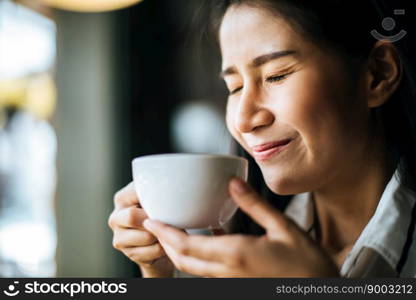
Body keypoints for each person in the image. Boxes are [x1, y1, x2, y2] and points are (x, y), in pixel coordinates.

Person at [108, 0, 416, 277]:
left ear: (377, 74)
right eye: (235, 87)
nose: (243, 120)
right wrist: (157, 273)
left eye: (276, 75)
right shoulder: (238, 248)